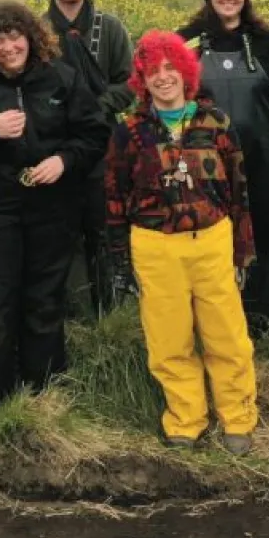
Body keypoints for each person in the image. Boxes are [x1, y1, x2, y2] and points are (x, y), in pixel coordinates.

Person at [0, 0, 110, 412]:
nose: (8, 47)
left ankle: (43, 392)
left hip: (51, 209)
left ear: (31, 38)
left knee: (45, 300)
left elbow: (94, 134)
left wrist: (63, 161)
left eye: (15, 37)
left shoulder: (61, 78)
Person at [104, 30, 258, 454]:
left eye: (171, 67)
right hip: (154, 247)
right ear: (142, 79)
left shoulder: (216, 123)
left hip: (212, 241)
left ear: (186, 73)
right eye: (152, 70)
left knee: (226, 335)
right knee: (169, 340)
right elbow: (115, 199)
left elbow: (240, 193)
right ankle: (185, 420)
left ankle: (238, 418)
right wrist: (120, 263)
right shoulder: (128, 133)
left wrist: (243, 251)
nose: (163, 77)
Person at [178, 0, 269, 333]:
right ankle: (212, 317)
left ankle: (262, 315)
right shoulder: (187, 42)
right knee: (211, 232)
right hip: (206, 160)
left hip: (263, 154)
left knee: (266, 227)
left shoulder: (268, 42)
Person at [42, 0, 135, 318]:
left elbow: (129, 82)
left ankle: (110, 311)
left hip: (101, 142)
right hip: (53, 144)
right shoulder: (36, 29)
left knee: (105, 223)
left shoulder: (109, 28)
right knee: (63, 228)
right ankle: (75, 310)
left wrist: (96, 109)